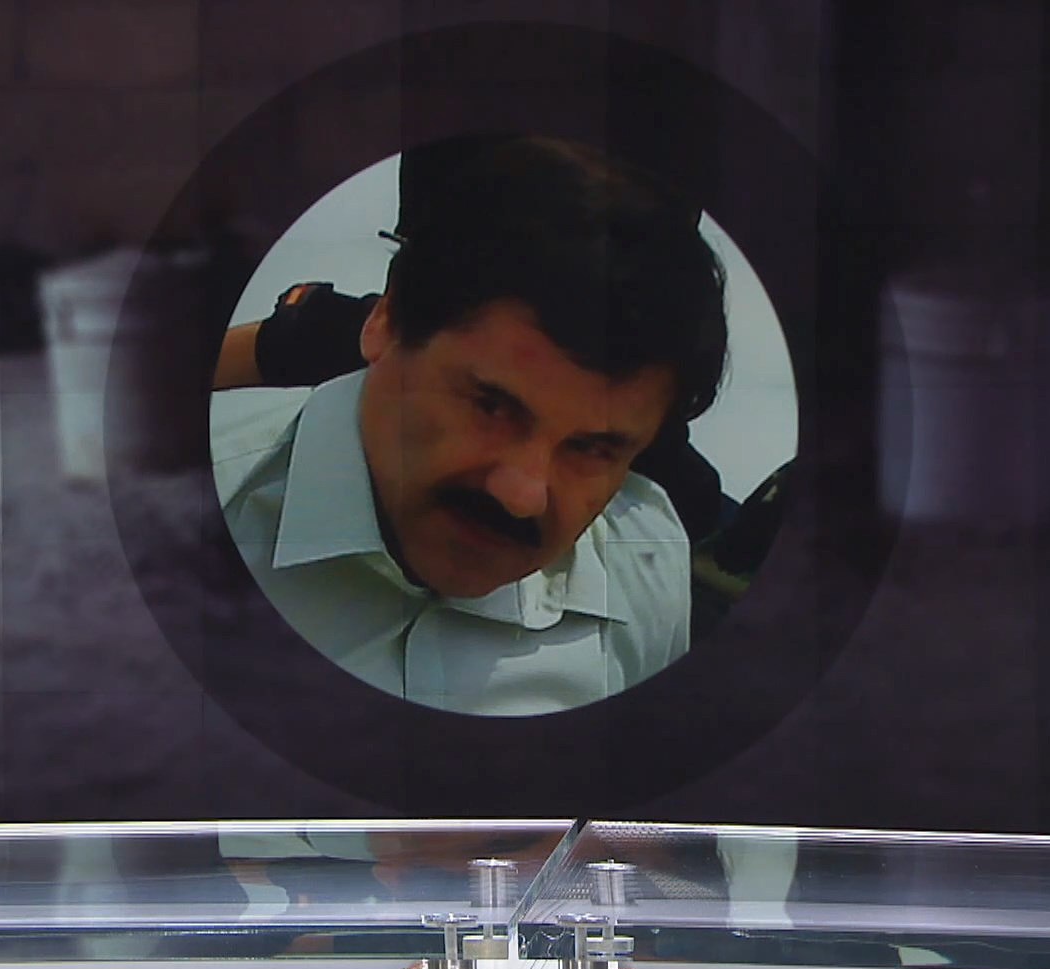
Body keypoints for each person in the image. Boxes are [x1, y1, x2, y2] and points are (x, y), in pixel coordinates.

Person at [210, 135, 728, 716]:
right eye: (491, 405)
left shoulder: (650, 560)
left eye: (594, 448)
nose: (522, 494)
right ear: (386, 319)